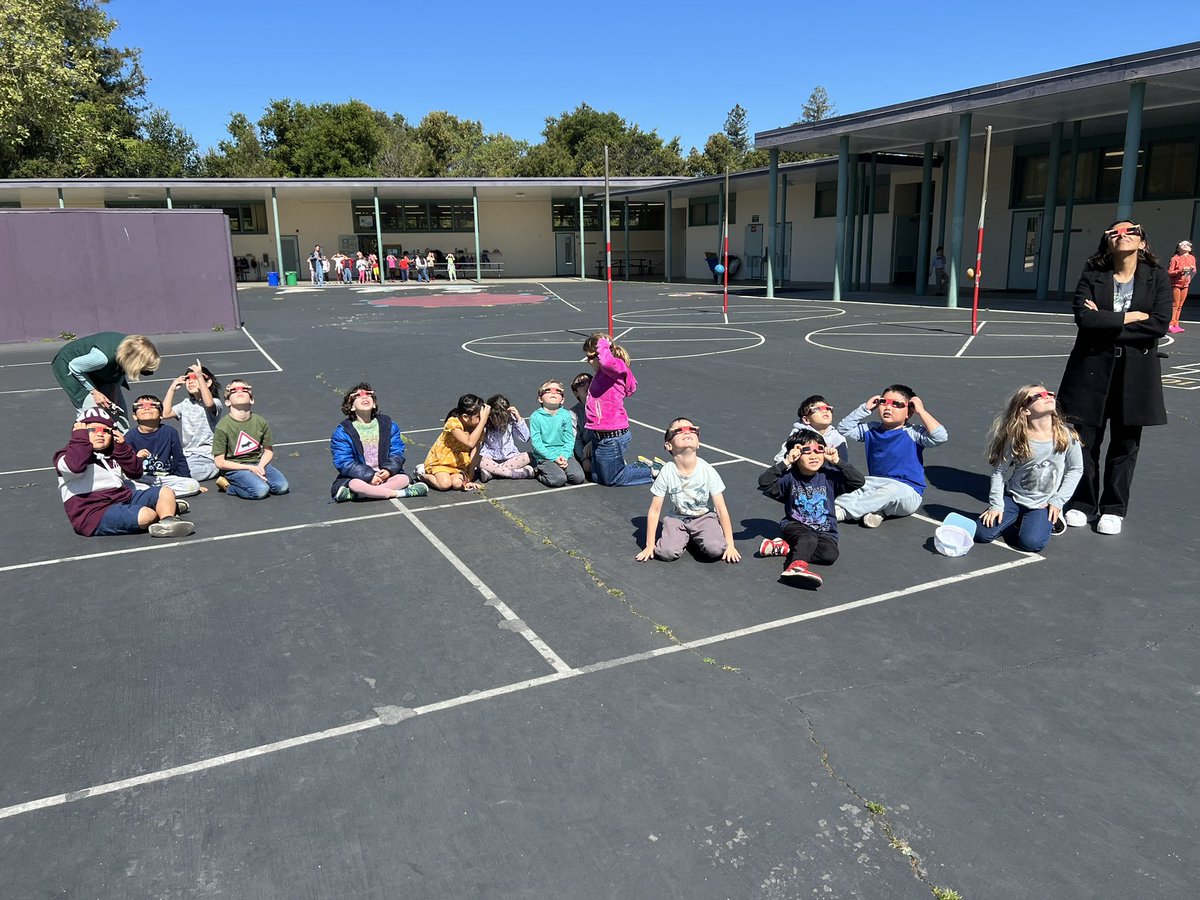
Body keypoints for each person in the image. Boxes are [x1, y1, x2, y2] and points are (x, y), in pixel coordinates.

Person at [1058, 219, 1171, 535]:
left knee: (1125, 444)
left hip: (1135, 373)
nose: (1122, 235)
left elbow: (1159, 324)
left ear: (1142, 242)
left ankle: (1113, 508)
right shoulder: (1093, 276)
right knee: (1085, 442)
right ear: (1107, 242)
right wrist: (1131, 317)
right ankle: (1082, 503)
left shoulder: (1157, 278)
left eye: (1130, 231)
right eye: (1114, 232)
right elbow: (1084, 319)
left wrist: (1105, 322)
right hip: (1091, 369)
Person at [54, 409, 193, 538]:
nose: (100, 434)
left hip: (123, 498)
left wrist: (122, 448)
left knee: (165, 491)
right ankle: (162, 508)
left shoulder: (112, 454)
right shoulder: (66, 456)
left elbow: (136, 472)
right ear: (80, 432)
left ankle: (168, 520)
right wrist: (80, 440)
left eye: (105, 430)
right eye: (92, 430)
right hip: (94, 512)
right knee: (146, 515)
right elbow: (75, 466)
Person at [976, 384, 1083, 552]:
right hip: (1014, 498)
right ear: (1025, 410)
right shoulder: (1017, 438)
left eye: (1049, 393)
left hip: (1044, 503)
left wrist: (1058, 501)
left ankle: (1042, 520)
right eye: (1038, 396)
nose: (1047, 396)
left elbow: (1076, 469)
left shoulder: (1066, 435)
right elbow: (999, 472)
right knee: (982, 534)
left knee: (1031, 544)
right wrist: (997, 505)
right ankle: (1018, 518)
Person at [757, 430, 865, 586]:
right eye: (807, 451)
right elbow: (764, 483)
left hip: (826, 530)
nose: (814, 456)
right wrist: (786, 462)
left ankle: (784, 548)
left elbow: (858, 481)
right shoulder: (790, 477)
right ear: (795, 454)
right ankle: (797, 566)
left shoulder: (829, 476)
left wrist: (837, 461)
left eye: (819, 450)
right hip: (795, 525)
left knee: (829, 555)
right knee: (808, 538)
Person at [833, 384, 948, 527]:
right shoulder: (871, 429)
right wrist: (865, 408)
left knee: (889, 492)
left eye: (896, 404)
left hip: (907, 492)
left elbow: (940, 437)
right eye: (883, 402)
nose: (888, 408)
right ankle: (878, 512)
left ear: (908, 412)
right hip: (875, 483)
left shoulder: (914, 433)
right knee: (852, 484)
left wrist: (921, 411)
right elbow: (844, 428)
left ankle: (839, 512)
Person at [636, 418, 740, 564]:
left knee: (716, 549)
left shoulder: (707, 470)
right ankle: (683, 537)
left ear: (698, 443)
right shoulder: (666, 471)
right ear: (668, 445)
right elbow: (654, 510)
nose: (687, 432)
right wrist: (650, 545)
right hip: (677, 519)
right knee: (666, 553)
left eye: (692, 430)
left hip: (704, 517)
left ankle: (696, 535)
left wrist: (730, 545)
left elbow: (721, 509)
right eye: (679, 430)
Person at [582, 333, 658, 486]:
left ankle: (656, 472)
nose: (588, 361)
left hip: (612, 436)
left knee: (613, 479)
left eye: (591, 356)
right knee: (597, 478)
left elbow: (607, 362)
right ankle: (639, 467)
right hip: (600, 436)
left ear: (601, 354)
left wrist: (603, 344)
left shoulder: (616, 367)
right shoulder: (603, 374)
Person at [330, 383, 427, 501]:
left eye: (368, 395)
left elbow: (397, 452)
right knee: (355, 484)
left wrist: (388, 469)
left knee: (403, 479)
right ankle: (402, 493)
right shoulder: (343, 432)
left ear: (374, 404)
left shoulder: (388, 425)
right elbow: (344, 462)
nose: (364, 397)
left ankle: (358, 494)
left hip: (386, 476)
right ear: (351, 407)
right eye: (358, 396)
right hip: (360, 477)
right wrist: (369, 476)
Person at [51, 332, 160, 429]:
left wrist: (115, 390)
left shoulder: (130, 349)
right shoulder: (102, 358)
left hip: (97, 369)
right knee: (93, 411)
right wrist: (94, 392)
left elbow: (122, 370)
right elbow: (75, 367)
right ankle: (84, 443)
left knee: (117, 410)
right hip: (71, 367)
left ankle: (123, 445)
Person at [212, 380, 289, 499]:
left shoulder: (260, 422)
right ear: (227, 401)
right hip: (236, 468)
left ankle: (254, 479)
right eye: (233, 390)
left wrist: (260, 467)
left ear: (252, 399)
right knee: (261, 490)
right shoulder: (223, 427)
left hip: (258, 463)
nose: (239, 391)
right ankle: (228, 486)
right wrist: (250, 468)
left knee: (282, 487)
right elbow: (219, 462)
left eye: (244, 389)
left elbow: (268, 451)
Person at [124, 394, 202, 498]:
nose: (147, 408)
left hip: (165, 478)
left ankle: (155, 496)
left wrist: (188, 479)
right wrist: (137, 458)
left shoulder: (170, 432)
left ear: (161, 414)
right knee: (127, 486)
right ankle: (162, 496)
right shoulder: (129, 437)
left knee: (193, 485)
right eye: (141, 406)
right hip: (142, 478)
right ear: (134, 416)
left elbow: (179, 459)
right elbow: (127, 466)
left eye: (152, 405)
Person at [163, 362, 223, 482]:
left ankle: (218, 467)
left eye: (195, 377)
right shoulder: (185, 404)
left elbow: (209, 403)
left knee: (187, 473)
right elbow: (165, 413)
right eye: (188, 378)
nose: (190, 381)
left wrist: (200, 376)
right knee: (163, 467)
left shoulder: (216, 402)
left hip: (206, 454)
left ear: (208, 382)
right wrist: (172, 389)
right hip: (188, 453)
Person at [420, 394, 490, 491]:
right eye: (479, 417)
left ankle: (454, 477)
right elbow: (470, 442)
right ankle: (422, 475)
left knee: (457, 485)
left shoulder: (477, 428)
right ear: (465, 417)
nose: (481, 419)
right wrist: (483, 421)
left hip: (459, 464)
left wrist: (470, 475)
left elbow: (475, 450)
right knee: (445, 485)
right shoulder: (453, 423)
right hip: (441, 462)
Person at [529, 380, 587, 488]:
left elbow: (569, 439)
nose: (553, 393)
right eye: (548, 390)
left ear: (562, 400)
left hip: (564, 454)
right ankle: (538, 472)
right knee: (558, 480)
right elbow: (537, 444)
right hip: (545, 456)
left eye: (558, 391)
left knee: (578, 478)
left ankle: (558, 468)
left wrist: (564, 456)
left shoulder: (565, 415)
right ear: (540, 398)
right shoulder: (536, 417)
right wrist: (554, 458)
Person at [773, 394, 847, 464]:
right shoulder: (799, 435)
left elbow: (843, 465)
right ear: (806, 420)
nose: (825, 410)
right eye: (817, 409)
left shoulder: (839, 438)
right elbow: (779, 460)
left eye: (828, 408)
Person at [478, 394, 534, 481]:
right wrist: (482, 420)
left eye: (503, 417)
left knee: (529, 456)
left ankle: (493, 473)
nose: (500, 421)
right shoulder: (486, 421)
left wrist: (519, 419)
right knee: (478, 459)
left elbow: (525, 438)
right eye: (496, 417)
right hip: (490, 458)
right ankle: (514, 473)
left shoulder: (511, 419)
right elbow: (477, 442)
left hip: (510, 458)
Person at [569, 372, 594, 479]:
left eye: (590, 381)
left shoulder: (604, 405)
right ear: (576, 393)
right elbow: (576, 439)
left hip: (603, 445)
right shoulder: (573, 413)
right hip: (585, 451)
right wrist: (584, 458)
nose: (587, 384)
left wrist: (594, 442)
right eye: (581, 383)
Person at [1167, 239, 1195, 333]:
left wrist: (1191, 270)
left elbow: (1194, 270)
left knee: (1180, 305)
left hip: (1185, 283)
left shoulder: (1191, 258)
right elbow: (1170, 272)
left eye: (1188, 245)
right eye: (1183, 245)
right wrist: (1180, 270)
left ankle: (1176, 323)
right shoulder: (1175, 258)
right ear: (1179, 248)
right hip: (1176, 284)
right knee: (1175, 304)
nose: (1186, 246)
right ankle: (1170, 324)